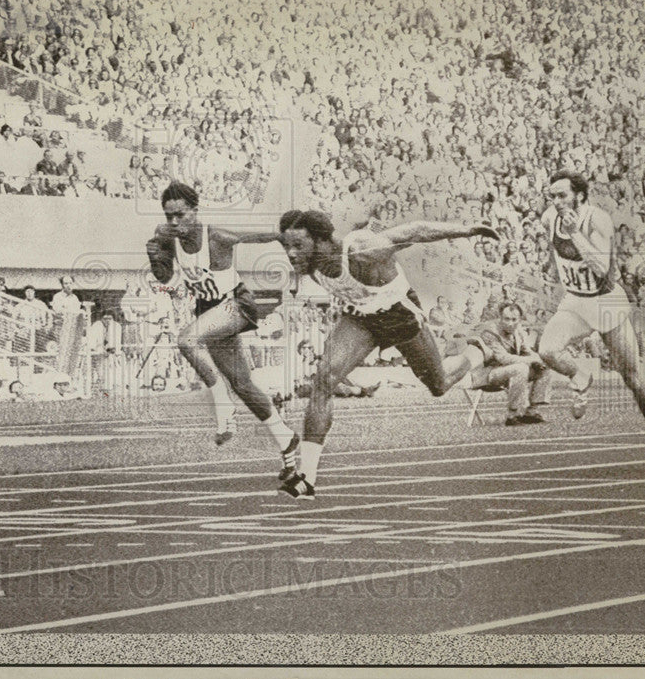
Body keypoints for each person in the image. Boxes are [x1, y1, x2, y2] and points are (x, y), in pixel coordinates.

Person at [277, 209, 498, 499]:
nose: (291, 254)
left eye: (298, 246)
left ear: (322, 241)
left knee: (440, 385)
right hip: (360, 319)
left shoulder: (362, 252)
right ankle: (307, 478)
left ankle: (476, 351)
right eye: (286, 246)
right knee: (323, 380)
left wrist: (467, 229)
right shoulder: (307, 259)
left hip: (399, 314)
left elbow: (415, 230)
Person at [147, 182, 299, 478]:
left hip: (235, 304)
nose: (174, 222)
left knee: (187, 339)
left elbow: (250, 236)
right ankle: (286, 441)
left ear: (195, 210)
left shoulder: (215, 236)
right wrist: (155, 259)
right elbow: (164, 276)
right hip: (209, 310)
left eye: (180, 214)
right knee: (243, 385)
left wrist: (283, 237)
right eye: (169, 216)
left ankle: (222, 403)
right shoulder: (165, 235)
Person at [538, 170, 645, 469]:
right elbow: (555, 250)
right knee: (547, 349)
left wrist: (575, 236)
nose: (556, 202)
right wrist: (552, 266)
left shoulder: (598, 220)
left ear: (579, 195)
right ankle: (580, 376)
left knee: (633, 378)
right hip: (575, 300)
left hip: (606, 302)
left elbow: (600, 267)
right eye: (552, 196)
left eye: (562, 195)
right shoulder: (549, 218)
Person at [462, 301, 552, 426]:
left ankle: (531, 412)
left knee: (545, 367)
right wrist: (531, 361)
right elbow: (503, 358)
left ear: (519, 319)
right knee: (520, 369)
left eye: (514, 319)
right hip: (488, 374)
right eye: (506, 319)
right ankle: (512, 415)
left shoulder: (518, 331)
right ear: (500, 318)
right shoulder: (489, 333)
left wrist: (539, 360)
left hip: (509, 371)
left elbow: (527, 351)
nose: (510, 323)